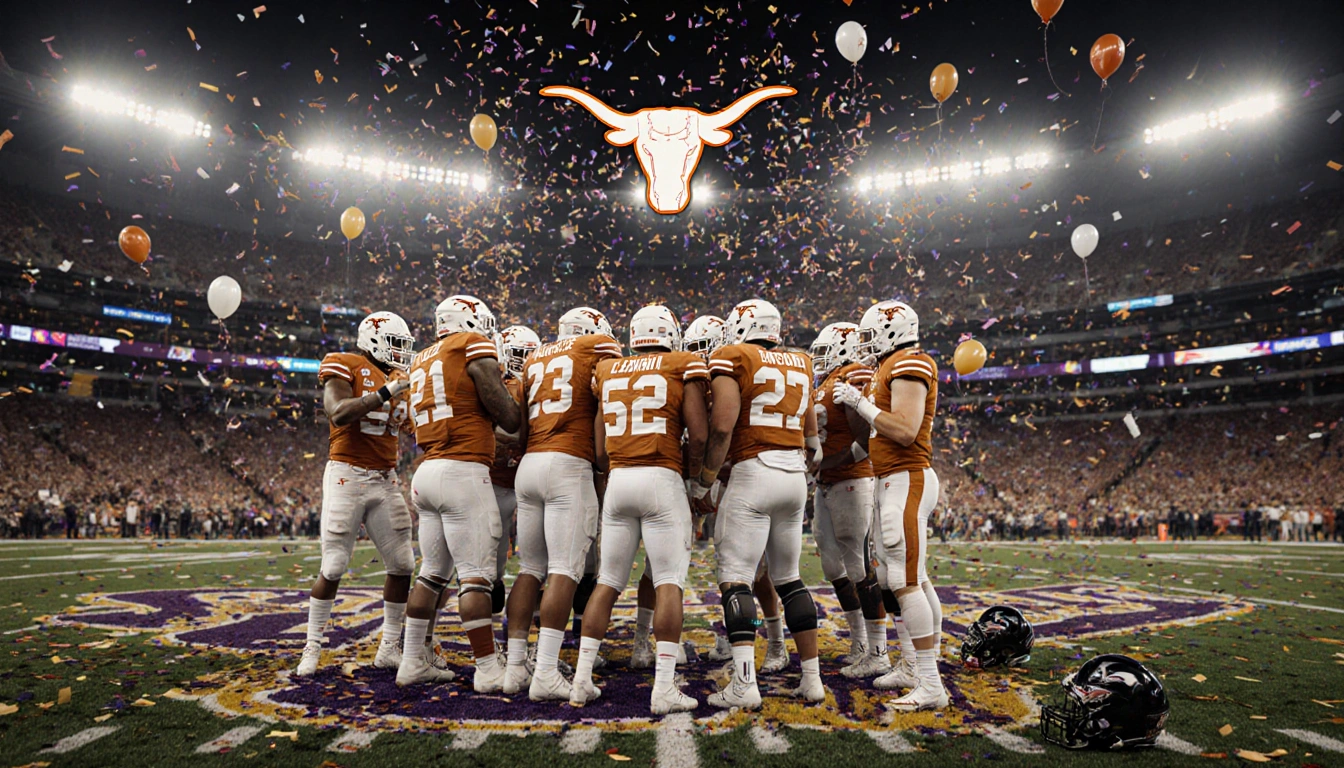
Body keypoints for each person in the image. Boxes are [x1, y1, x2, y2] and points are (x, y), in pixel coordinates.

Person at [569, 305, 709, 714]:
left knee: (608, 582)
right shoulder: (682, 363)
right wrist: (696, 478)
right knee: (668, 581)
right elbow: (698, 435)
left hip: (619, 480)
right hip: (661, 477)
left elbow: (598, 448)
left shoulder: (609, 369)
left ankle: (580, 681)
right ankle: (663, 687)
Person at [694, 298, 825, 709]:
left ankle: (745, 684)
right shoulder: (801, 361)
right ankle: (812, 680)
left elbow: (722, 425)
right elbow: (812, 440)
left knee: (736, 579)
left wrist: (706, 480)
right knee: (789, 578)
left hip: (755, 471)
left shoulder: (733, 354)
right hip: (793, 476)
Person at [397, 296, 522, 690]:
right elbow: (508, 415)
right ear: (469, 321)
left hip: (427, 471)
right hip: (463, 471)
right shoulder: (469, 344)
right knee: (476, 579)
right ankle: (487, 668)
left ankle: (412, 661)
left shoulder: (420, 357)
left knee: (432, 574)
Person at [834, 299, 948, 712]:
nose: (865, 344)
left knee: (905, 581)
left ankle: (930, 681)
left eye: (869, 335)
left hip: (907, 476)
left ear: (891, 330)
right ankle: (916, 666)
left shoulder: (910, 362)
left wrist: (860, 402)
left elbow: (903, 430)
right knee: (907, 578)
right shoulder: (892, 365)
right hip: (891, 479)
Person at [505, 307, 623, 700]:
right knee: (564, 572)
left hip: (531, 462)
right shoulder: (597, 347)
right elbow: (613, 399)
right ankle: (545, 673)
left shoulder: (537, 355)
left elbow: (519, 422)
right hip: (568, 463)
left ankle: (514, 667)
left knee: (529, 569)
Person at [296, 311, 418, 677]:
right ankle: (312, 647)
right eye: (397, 345)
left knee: (403, 565)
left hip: (385, 479)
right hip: (346, 475)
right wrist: (384, 393)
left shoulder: (402, 381)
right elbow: (337, 412)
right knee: (333, 566)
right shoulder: (346, 363)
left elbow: (418, 428)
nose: (401, 353)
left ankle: (389, 649)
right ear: (374, 340)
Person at [807, 322, 890, 680]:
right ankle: (858, 642)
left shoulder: (855, 374)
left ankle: (879, 650)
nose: (820, 358)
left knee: (858, 565)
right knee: (832, 565)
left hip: (852, 481)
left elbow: (867, 436)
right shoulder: (824, 383)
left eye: (826, 350)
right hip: (826, 484)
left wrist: (837, 460)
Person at [491, 325, 540, 624]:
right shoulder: (496, 386)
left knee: (537, 565)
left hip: (528, 482)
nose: (528, 360)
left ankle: (536, 627)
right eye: (523, 354)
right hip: (497, 481)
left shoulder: (540, 385)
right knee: (492, 567)